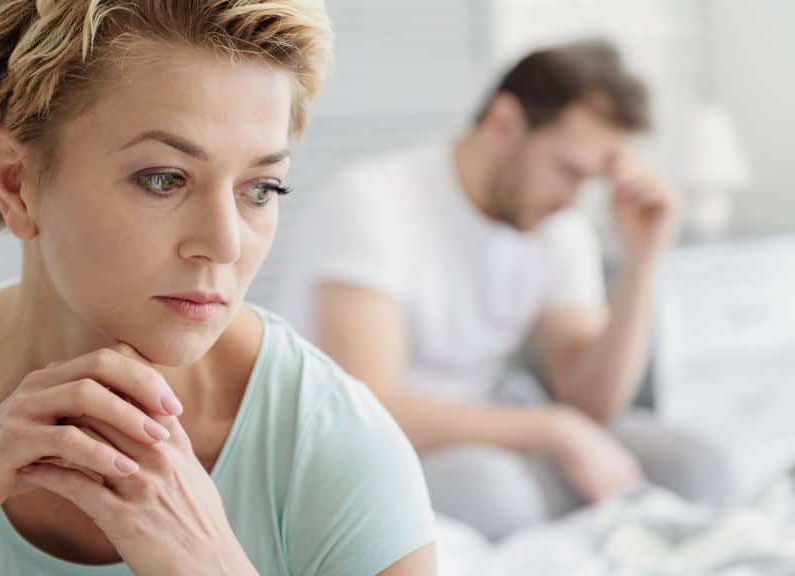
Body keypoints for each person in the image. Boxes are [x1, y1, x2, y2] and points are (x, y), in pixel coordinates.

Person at [0, 1, 437, 574]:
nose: (225, 243)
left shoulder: (335, 451)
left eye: (261, 189)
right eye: (164, 179)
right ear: (18, 182)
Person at [285, 39, 730, 540]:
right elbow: (369, 412)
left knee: (695, 467)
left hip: (499, 434)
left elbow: (592, 405)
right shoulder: (373, 204)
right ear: (504, 122)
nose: (575, 199)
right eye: (569, 170)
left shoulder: (559, 225)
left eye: (592, 181)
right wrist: (552, 428)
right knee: (495, 493)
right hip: (384, 450)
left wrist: (644, 260)